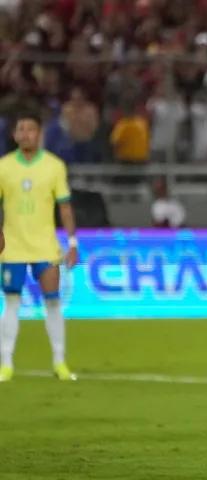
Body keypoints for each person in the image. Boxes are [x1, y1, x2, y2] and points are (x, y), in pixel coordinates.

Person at [0, 112, 79, 382]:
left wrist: (72, 242)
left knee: (53, 302)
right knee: (11, 302)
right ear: (14, 135)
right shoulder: (4, 167)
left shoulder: (54, 166)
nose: (25, 134)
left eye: (30, 129)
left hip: (46, 246)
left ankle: (59, 363)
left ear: (39, 133)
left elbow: (65, 206)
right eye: (20, 129)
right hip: (12, 247)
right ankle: (6, 364)